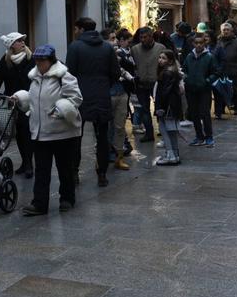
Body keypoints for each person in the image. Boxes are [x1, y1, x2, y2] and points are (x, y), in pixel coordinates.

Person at [19, 45, 83, 214]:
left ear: (51, 60)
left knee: (65, 168)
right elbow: (34, 102)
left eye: (43, 60)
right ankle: (39, 204)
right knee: (41, 170)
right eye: (37, 60)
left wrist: (61, 110)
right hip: (40, 133)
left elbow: (76, 98)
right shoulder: (34, 78)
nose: (39, 63)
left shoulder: (64, 76)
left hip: (63, 132)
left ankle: (67, 199)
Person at [66, 18, 118, 182]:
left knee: (76, 135)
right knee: (102, 137)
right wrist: (104, 85)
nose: (74, 32)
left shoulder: (75, 47)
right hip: (102, 95)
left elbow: (70, 73)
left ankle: (74, 172)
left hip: (80, 96)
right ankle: (102, 173)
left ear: (81, 29)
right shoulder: (107, 47)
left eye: (75, 29)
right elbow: (115, 73)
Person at [0, 33, 35, 178]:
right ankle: (25, 162)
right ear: (12, 45)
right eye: (19, 41)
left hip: (28, 101)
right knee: (18, 133)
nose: (22, 43)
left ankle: (28, 164)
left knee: (26, 132)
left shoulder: (30, 59)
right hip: (11, 101)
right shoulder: (6, 60)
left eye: (22, 40)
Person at [131, 28, 167, 143]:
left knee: (160, 108)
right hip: (141, 84)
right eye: (141, 37)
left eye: (145, 37)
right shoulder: (135, 49)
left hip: (157, 83)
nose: (143, 40)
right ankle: (149, 133)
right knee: (145, 110)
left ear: (151, 36)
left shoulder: (160, 48)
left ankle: (163, 131)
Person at [182, 34, 218, 148]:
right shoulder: (189, 56)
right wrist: (186, 78)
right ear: (193, 44)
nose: (198, 45)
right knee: (194, 113)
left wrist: (207, 80)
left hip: (204, 89)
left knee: (205, 113)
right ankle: (199, 136)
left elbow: (216, 72)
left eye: (201, 43)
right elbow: (184, 69)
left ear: (204, 43)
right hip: (191, 89)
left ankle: (209, 136)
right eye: (196, 43)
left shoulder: (209, 57)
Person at [109, 28, 137, 168]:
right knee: (108, 127)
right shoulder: (105, 56)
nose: (116, 42)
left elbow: (124, 70)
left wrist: (130, 78)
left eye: (116, 38)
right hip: (109, 94)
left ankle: (118, 156)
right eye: (112, 39)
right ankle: (106, 154)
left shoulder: (118, 55)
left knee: (120, 126)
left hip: (121, 93)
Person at [153, 50, 185, 166]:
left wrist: (160, 107)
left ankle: (170, 155)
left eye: (163, 58)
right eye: (160, 57)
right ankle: (174, 155)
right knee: (171, 132)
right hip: (172, 106)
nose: (160, 60)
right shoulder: (173, 72)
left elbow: (164, 92)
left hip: (167, 108)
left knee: (165, 131)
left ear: (170, 61)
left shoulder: (167, 73)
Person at [215, 23, 237, 118]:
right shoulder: (218, 41)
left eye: (227, 30)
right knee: (221, 90)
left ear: (231, 31)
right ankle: (221, 108)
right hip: (221, 70)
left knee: (235, 90)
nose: (225, 32)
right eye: (223, 30)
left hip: (234, 69)